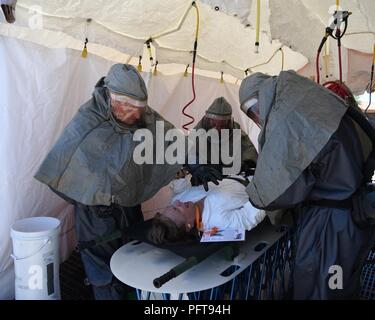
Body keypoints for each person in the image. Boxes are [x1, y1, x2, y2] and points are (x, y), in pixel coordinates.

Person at [34, 64, 186, 299]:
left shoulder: (136, 112)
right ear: (113, 98)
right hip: (96, 213)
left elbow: (167, 135)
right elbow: (64, 169)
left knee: (134, 257)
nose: (137, 116)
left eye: (141, 108)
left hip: (127, 202)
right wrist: (93, 199)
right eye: (131, 109)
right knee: (106, 275)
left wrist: (191, 159)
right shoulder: (88, 120)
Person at [238, 70, 375, 299]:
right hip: (350, 219)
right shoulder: (318, 106)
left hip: (329, 226)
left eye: (254, 111)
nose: (258, 118)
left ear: (261, 98)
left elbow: (283, 192)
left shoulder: (291, 123)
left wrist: (254, 195)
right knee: (341, 281)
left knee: (323, 285)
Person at [147, 176, 265, 244]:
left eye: (172, 206)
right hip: (258, 180)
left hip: (231, 170)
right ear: (188, 225)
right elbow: (250, 217)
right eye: (178, 210)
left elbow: (179, 184)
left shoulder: (179, 200)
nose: (178, 203)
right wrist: (266, 183)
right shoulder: (218, 222)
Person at [186, 97, 258, 190]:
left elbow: (250, 155)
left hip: (229, 181)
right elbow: (186, 152)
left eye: (222, 125)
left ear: (229, 122)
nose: (217, 129)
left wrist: (245, 165)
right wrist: (197, 168)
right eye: (214, 124)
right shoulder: (198, 131)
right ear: (208, 120)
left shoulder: (238, 134)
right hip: (205, 179)